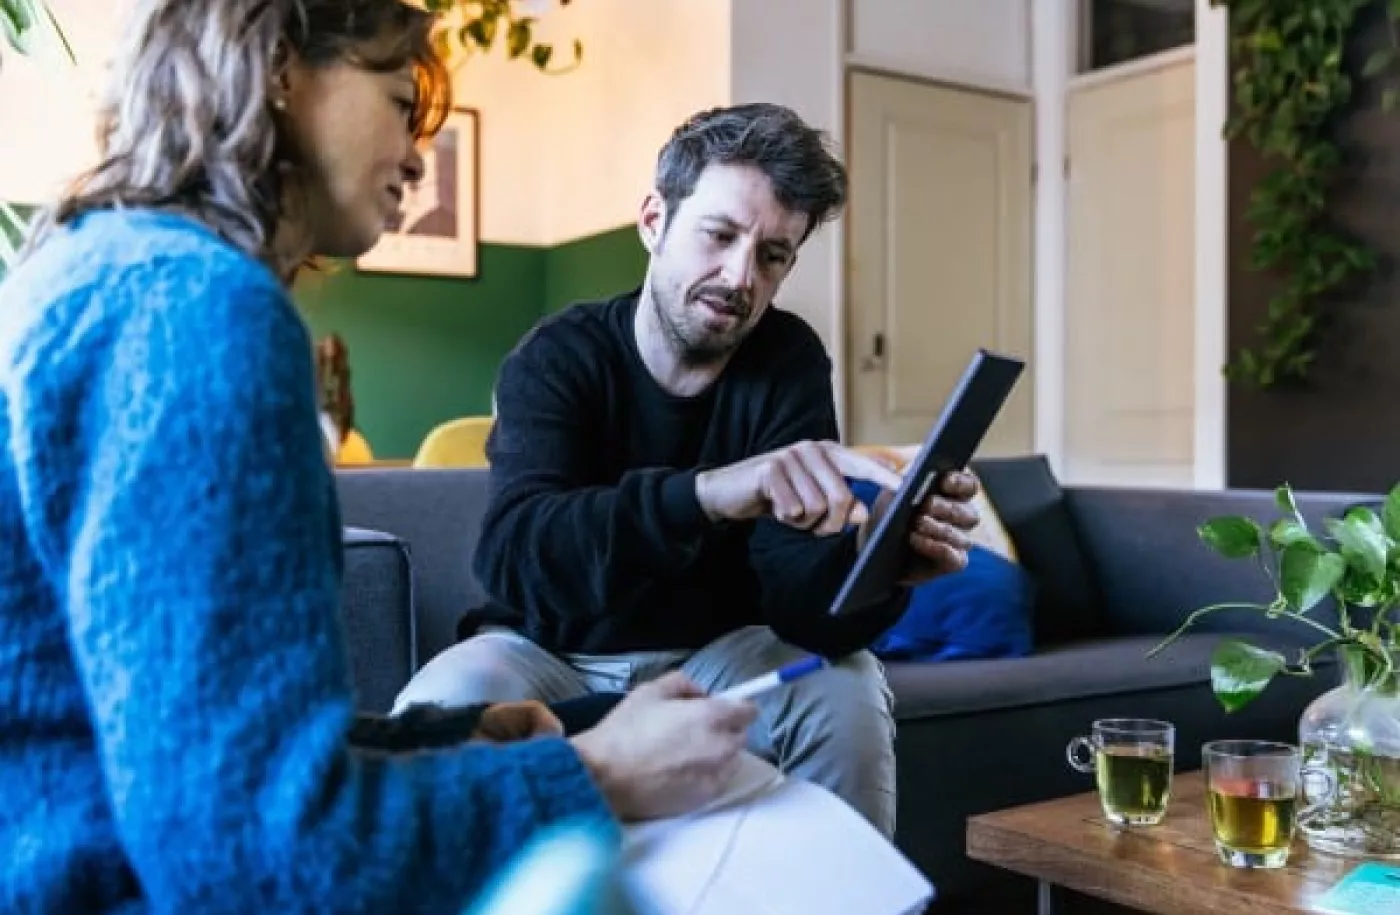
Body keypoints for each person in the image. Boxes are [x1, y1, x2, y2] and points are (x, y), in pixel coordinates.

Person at [0, 1, 757, 912]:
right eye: (402, 104)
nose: (415, 155)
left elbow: (175, 742)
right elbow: (254, 856)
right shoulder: (199, 314)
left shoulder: (97, 267)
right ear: (281, 68)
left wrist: (434, 740)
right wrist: (593, 776)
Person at [392, 102, 982, 839]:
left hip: (720, 652)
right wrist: (710, 494)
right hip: (545, 649)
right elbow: (518, 554)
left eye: (773, 255)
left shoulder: (787, 360)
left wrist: (878, 564)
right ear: (653, 221)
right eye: (720, 234)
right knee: (432, 716)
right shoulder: (558, 355)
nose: (740, 276)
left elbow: (798, 603)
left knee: (849, 687)